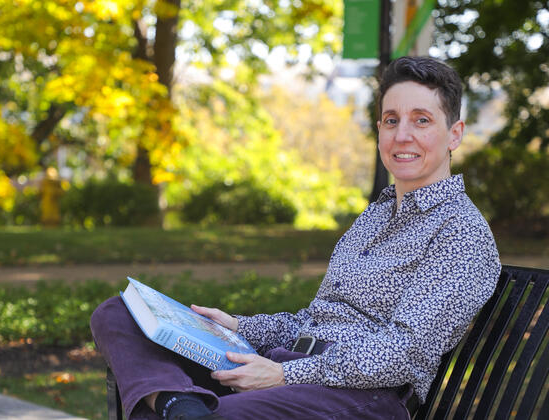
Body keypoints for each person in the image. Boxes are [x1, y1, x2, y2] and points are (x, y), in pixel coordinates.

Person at [90, 56, 501, 420]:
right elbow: (313, 320)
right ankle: (179, 407)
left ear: (454, 134)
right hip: (294, 371)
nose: (402, 134)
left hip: (361, 397)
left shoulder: (459, 232)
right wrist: (238, 327)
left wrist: (285, 374)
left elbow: (401, 354)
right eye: (392, 120)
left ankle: (174, 407)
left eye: (422, 120)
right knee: (119, 313)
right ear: (379, 130)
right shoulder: (376, 215)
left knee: (213, 414)